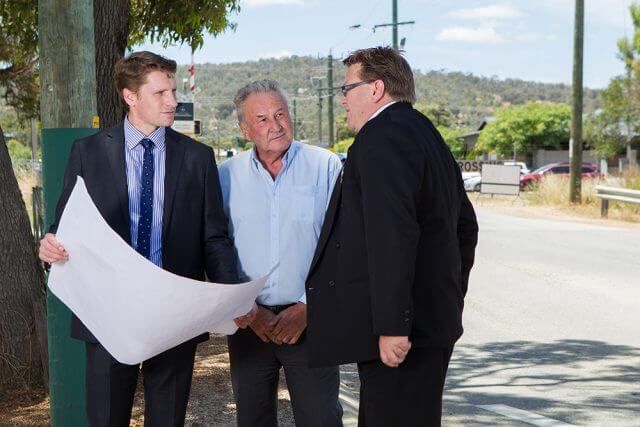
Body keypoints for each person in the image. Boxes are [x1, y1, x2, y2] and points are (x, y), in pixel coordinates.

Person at [38, 51, 255, 427]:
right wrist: (50, 244)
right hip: (106, 313)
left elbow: (213, 238)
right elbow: (64, 226)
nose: (173, 101)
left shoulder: (198, 158)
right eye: (161, 94)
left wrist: (231, 293)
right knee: (106, 419)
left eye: (173, 91)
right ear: (130, 96)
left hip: (175, 313)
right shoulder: (87, 153)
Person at [305, 47, 479, 426]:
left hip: (405, 335)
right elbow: (466, 228)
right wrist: (445, 294)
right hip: (429, 322)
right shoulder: (425, 133)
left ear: (376, 88)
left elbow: (391, 236)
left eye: (347, 88)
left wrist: (393, 326)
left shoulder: (381, 137)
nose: (343, 99)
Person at [218, 80, 344, 427]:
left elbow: (342, 244)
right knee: (252, 419)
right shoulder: (225, 177)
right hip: (249, 323)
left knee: (321, 419)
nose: (275, 126)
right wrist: (247, 309)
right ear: (244, 129)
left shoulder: (326, 166)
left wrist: (308, 308)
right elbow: (217, 248)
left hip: (311, 322)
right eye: (261, 119)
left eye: (280, 113)